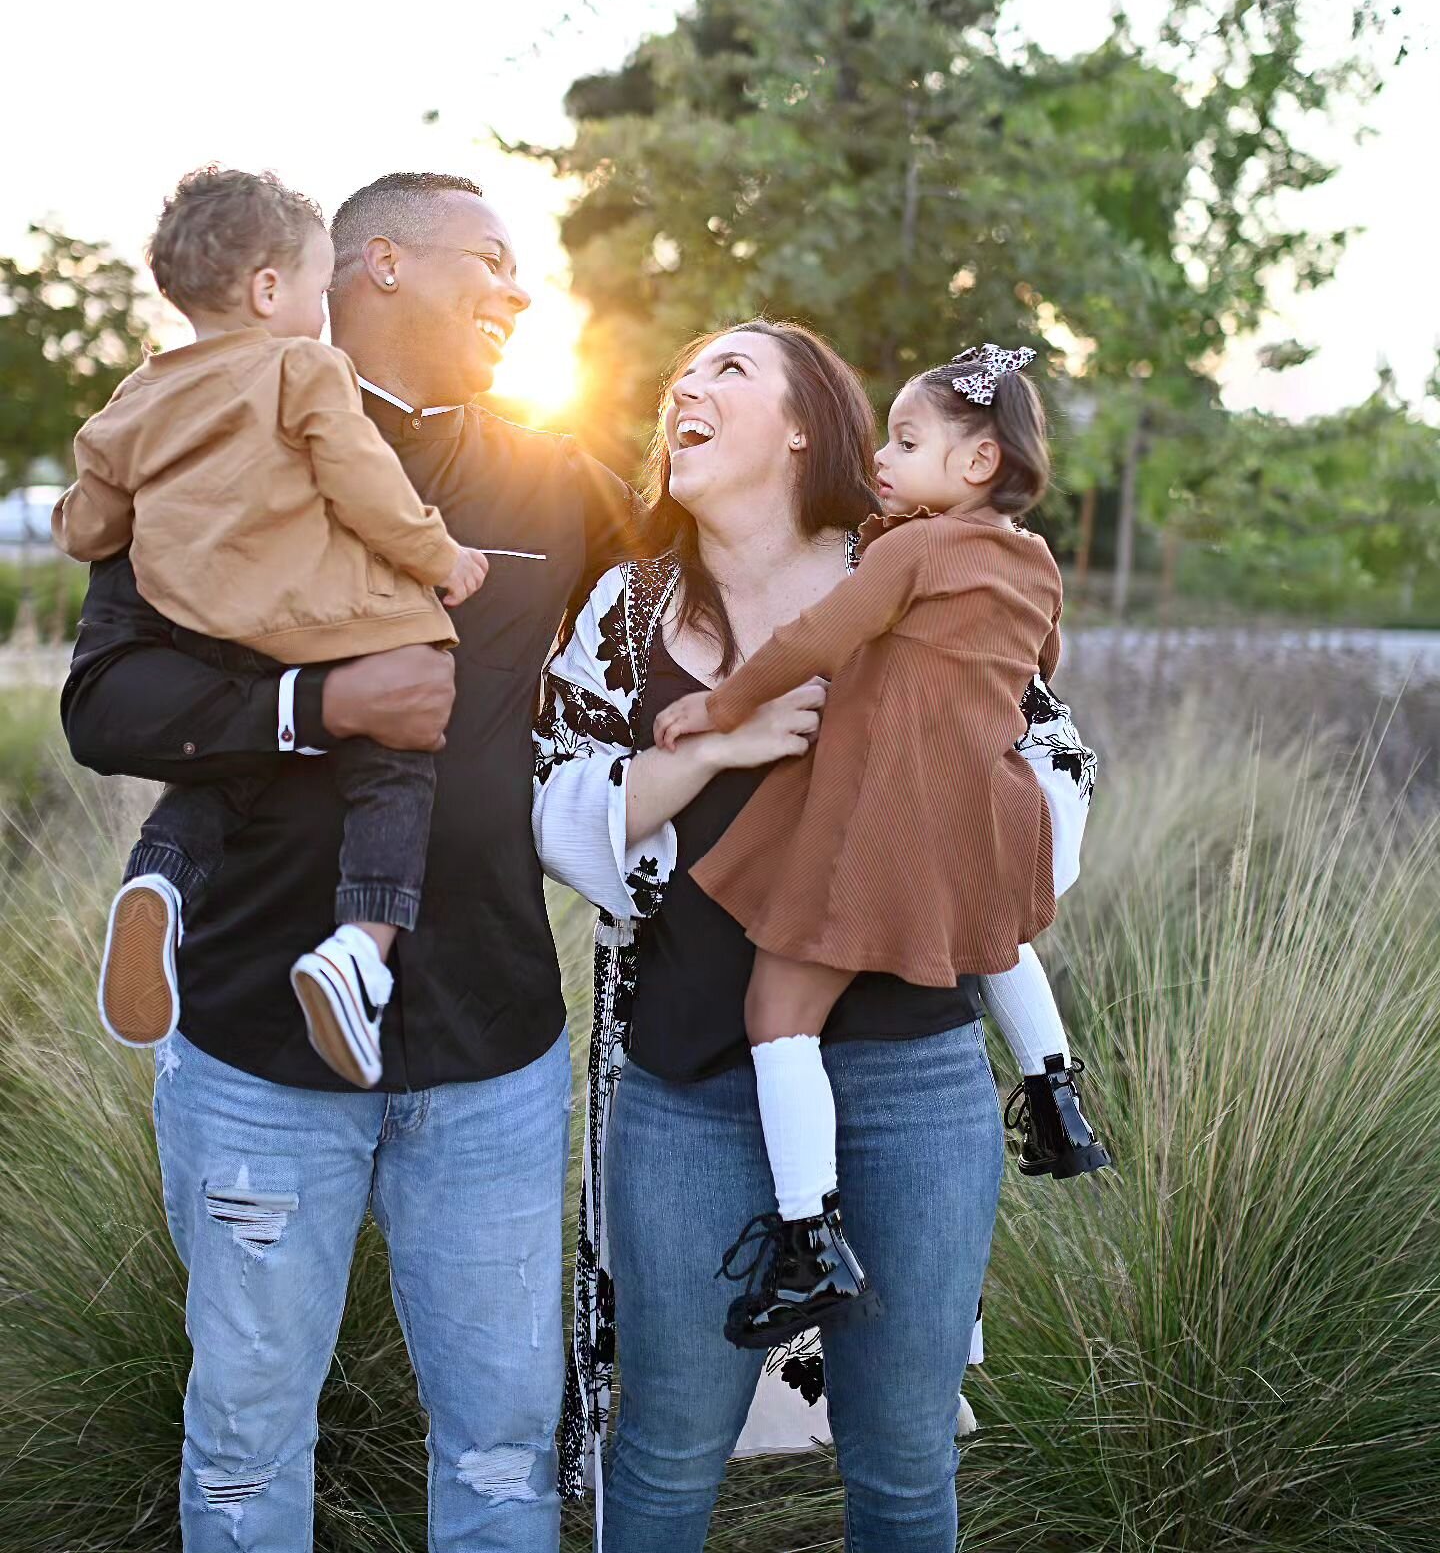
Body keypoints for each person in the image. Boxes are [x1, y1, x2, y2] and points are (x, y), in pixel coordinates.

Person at [61, 171, 635, 1552]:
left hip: (494, 1055)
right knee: (249, 1448)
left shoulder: (560, 478)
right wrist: (314, 710)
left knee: (504, 1448)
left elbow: (722, 576)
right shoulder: (211, 432)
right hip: (257, 1051)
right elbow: (103, 703)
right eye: (491, 262)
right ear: (377, 262)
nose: (519, 293)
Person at [532, 320, 1100, 1551]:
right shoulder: (627, 612)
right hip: (688, 1077)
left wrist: (948, 825)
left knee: (901, 1464)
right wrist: (721, 747)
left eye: (729, 368)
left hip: (913, 1073)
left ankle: (1052, 1088)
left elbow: (1049, 748)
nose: (688, 383)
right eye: (680, 372)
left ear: (804, 424)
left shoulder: (915, 555)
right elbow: (555, 803)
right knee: (668, 1448)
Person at [654, 342, 1111, 1350]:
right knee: (995, 941)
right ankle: (1053, 1096)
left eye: (907, 443)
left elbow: (817, 639)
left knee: (778, 1012)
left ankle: (808, 1233)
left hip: (879, 818)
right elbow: (1044, 664)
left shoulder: (912, 548)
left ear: (978, 464)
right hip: (981, 813)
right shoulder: (1034, 564)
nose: (886, 462)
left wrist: (722, 705)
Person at [55, 167, 492, 1088]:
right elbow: (362, 481)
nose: (322, 307)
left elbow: (89, 525)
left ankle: (161, 882)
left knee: (230, 768)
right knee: (395, 773)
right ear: (266, 291)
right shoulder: (304, 367)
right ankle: (359, 949)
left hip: (208, 635)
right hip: (330, 621)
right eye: (311, 282)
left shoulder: (132, 401)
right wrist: (437, 556)